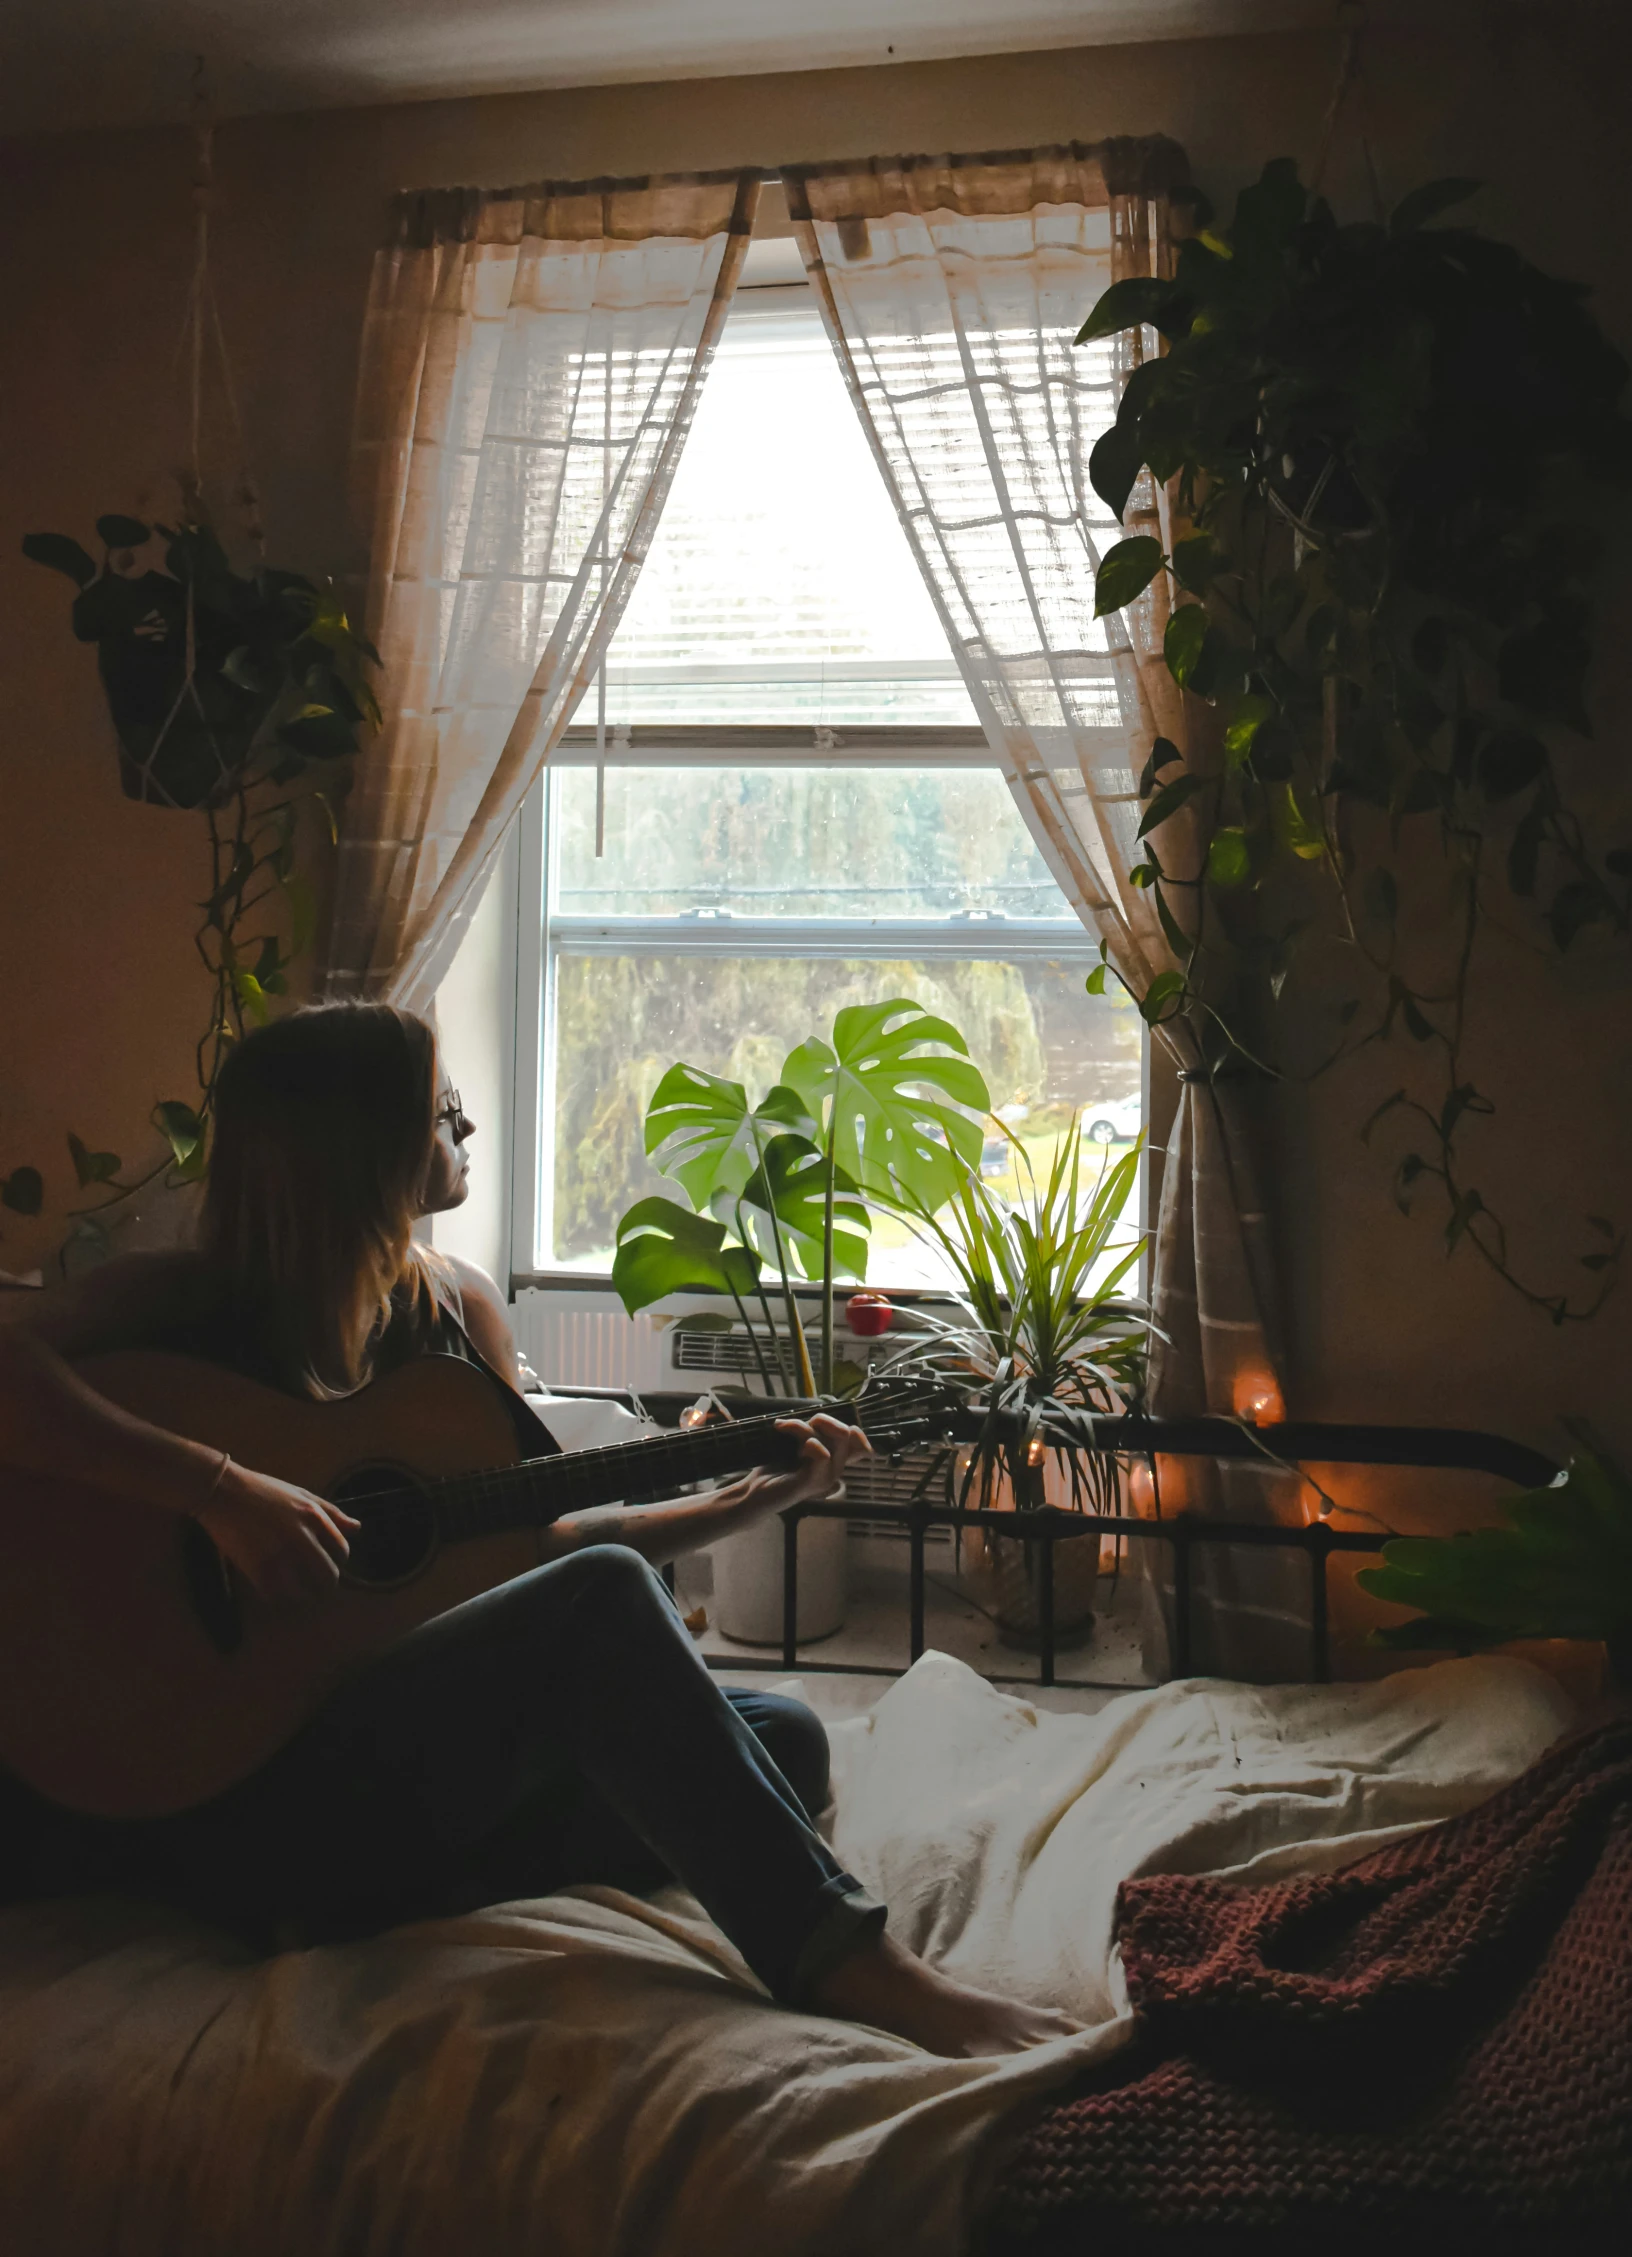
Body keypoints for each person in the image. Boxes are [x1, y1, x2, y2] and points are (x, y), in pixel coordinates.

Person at [0, 1002, 1079, 2058]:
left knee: (784, 1741)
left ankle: (385, 1895)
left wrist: (748, 1501)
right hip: (244, 1776)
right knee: (635, 1648)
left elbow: (536, 1547)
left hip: (387, 1754)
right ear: (359, 1149)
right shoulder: (188, 1304)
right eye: (439, 1112)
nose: (464, 1129)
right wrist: (220, 1489)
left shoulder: (453, 1313)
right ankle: (848, 1961)